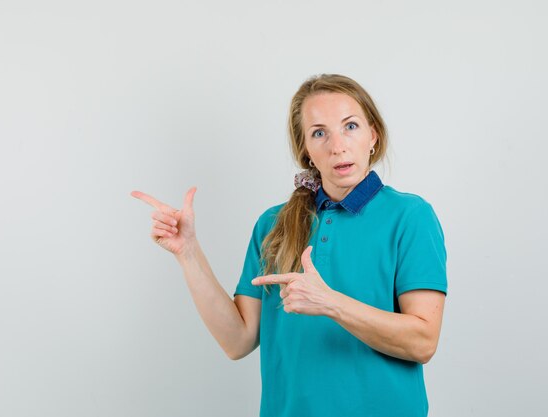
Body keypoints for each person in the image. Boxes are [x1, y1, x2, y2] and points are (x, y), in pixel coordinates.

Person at [131, 74, 447, 417]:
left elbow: (423, 340)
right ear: (306, 150)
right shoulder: (273, 224)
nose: (337, 145)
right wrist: (188, 253)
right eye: (319, 133)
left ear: (373, 134)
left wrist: (329, 302)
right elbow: (237, 341)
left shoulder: (411, 217)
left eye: (350, 126)